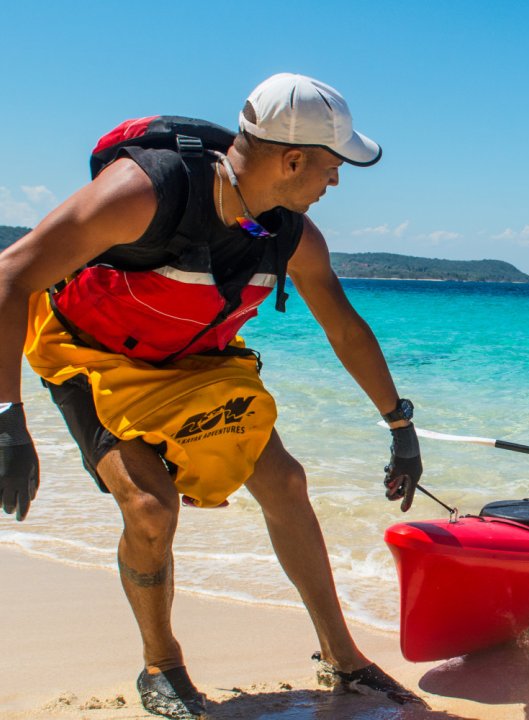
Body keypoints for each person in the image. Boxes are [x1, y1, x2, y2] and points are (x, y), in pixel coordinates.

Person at [0, 73, 426, 717]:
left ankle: (344, 658)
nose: (334, 182)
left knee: (285, 482)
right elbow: (11, 274)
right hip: (93, 356)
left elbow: (343, 326)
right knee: (149, 508)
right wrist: (7, 418)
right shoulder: (143, 193)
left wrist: (400, 425)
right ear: (291, 159)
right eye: (332, 167)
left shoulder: (293, 235)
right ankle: (161, 666)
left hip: (197, 358)